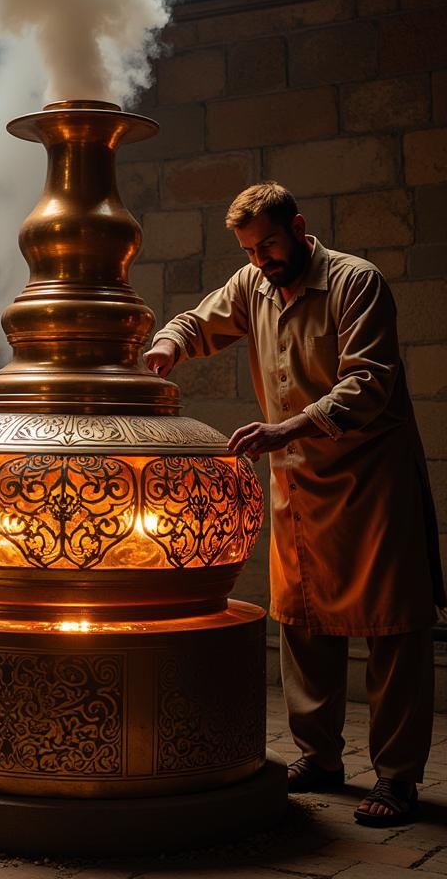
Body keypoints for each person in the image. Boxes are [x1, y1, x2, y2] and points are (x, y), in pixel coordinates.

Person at [144, 182, 445, 826]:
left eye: (270, 244)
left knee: (393, 633)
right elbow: (197, 321)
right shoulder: (253, 282)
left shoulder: (354, 282)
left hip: (371, 483)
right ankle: (320, 756)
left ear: (300, 226)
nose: (261, 261)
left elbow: (369, 383)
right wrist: (168, 345)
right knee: (302, 620)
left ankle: (396, 778)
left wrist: (284, 429)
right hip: (300, 483)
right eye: (250, 250)